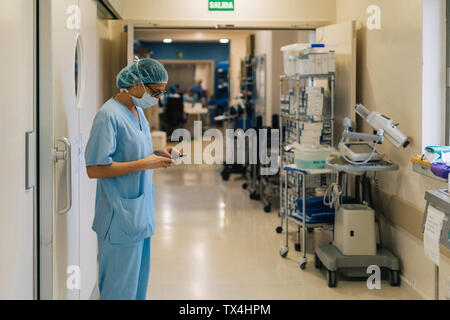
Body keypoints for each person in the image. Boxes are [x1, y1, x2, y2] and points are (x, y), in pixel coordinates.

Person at [84, 58, 178, 300]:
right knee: (118, 292)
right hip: (119, 218)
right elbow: (95, 168)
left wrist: (159, 154)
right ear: (136, 84)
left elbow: (136, 151)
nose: (158, 98)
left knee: (136, 290)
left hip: (138, 215)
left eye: (162, 93)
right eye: (155, 92)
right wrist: (147, 163)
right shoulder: (108, 116)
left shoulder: (137, 112)